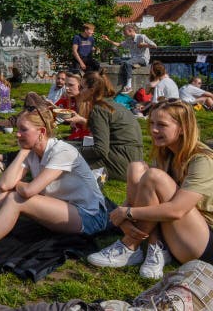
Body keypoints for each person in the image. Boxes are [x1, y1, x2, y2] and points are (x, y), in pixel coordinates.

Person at [0, 105, 107, 270]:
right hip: (63, 208)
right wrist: (22, 153)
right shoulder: (32, 152)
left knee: (15, 199)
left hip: (90, 216)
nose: (17, 134)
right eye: (18, 129)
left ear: (41, 132)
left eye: (23, 130)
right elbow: (4, 185)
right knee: (2, 197)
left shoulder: (63, 152)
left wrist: (18, 185)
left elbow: (29, 191)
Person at [87, 100, 213, 279]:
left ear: (183, 127)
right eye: (152, 123)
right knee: (136, 167)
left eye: (161, 125)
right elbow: (148, 198)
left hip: (202, 242)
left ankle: (130, 245)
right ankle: (155, 247)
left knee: (154, 177)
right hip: (177, 233)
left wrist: (128, 213)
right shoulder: (166, 153)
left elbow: (177, 210)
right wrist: (123, 216)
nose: (153, 130)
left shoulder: (202, 160)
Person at [76, 71, 144, 181]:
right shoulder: (112, 105)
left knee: (68, 155)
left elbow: (100, 150)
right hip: (134, 161)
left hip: (122, 164)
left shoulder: (99, 109)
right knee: (72, 145)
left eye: (81, 87)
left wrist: (73, 150)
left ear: (92, 91)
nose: (79, 91)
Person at [101, 24, 157, 93]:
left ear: (130, 30)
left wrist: (144, 45)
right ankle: (134, 65)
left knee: (127, 63)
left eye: (124, 32)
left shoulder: (142, 37)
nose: (124, 33)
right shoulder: (129, 40)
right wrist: (108, 39)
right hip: (134, 58)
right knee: (115, 60)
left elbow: (155, 46)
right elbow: (119, 44)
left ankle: (129, 86)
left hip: (143, 58)